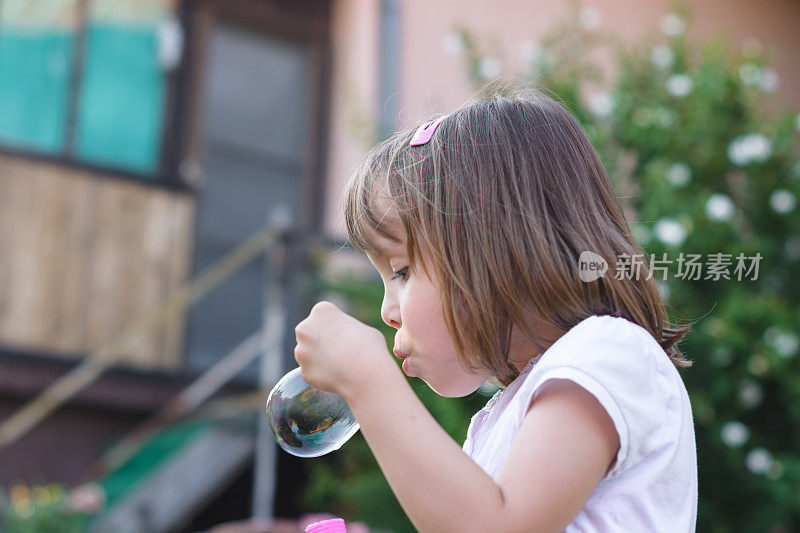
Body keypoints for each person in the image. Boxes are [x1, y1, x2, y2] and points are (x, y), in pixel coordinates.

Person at [293, 87, 698, 532]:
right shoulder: (500, 417)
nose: (388, 311)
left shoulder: (608, 353)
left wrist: (366, 378)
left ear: (497, 247)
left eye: (402, 271)